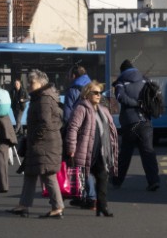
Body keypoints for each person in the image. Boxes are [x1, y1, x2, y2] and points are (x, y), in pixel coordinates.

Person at [6, 70, 65, 219]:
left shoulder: (44, 98)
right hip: (44, 143)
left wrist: (34, 138)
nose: (29, 85)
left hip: (43, 144)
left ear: (41, 83)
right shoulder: (43, 96)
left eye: (32, 82)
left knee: (47, 175)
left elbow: (44, 123)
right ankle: (23, 205)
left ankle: (57, 207)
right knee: (31, 173)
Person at [64, 81, 118, 217]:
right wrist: (71, 148)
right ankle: (68, 202)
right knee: (83, 177)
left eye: (100, 93)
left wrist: (113, 147)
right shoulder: (81, 109)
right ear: (87, 94)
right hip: (85, 150)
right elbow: (72, 128)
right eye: (95, 92)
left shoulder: (103, 110)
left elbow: (110, 130)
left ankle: (102, 206)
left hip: (101, 151)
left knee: (102, 178)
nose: (98, 95)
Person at [112, 60, 161, 191]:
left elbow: (120, 97)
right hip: (145, 122)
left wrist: (135, 103)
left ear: (122, 71)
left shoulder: (121, 83)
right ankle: (153, 180)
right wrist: (143, 106)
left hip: (130, 123)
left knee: (126, 153)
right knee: (148, 152)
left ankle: (117, 180)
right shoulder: (145, 80)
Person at [63, 65, 96, 209]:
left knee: (79, 164)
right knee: (88, 164)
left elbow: (67, 115)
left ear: (74, 76)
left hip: (79, 132)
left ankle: (88, 196)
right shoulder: (92, 87)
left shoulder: (73, 90)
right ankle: (86, 196)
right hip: (93, 131)